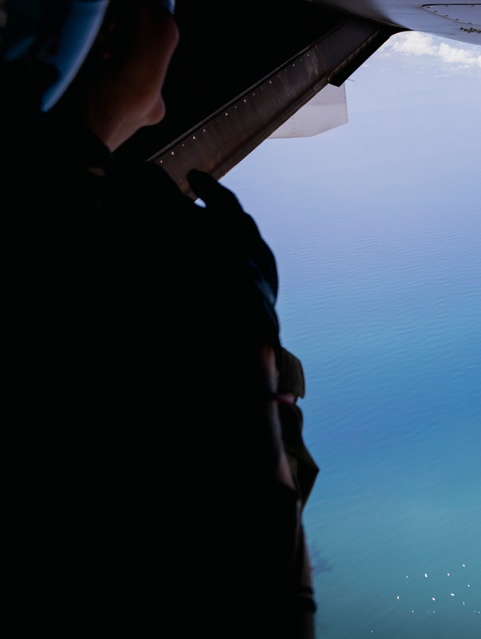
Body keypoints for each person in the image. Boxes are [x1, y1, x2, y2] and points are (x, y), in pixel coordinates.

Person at [2, 1, 317, 635]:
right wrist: (241, 316)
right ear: (104, 35)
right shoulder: (149, 261)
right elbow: (258, 564)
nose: (174, 23)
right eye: (158, 3)